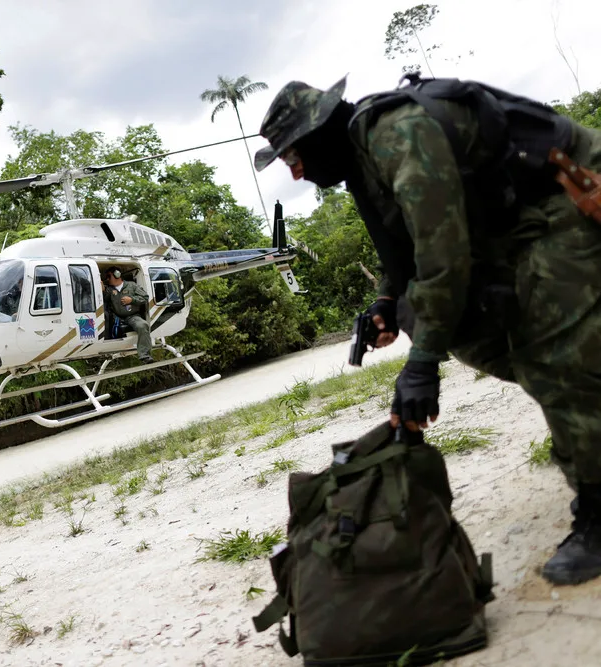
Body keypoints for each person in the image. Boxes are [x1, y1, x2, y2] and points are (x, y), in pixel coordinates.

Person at [253, 73, 601, 586]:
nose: (297, 173)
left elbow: (444, 256)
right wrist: (389, 301)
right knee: (472, 330)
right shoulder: (361, 161)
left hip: (563, 196)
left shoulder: (396, 135)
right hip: (513, 225)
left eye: (293, 157)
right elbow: (411, 248)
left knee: (549, 351)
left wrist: (421, 366)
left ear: (318, 133)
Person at [102, 266, 153, 362]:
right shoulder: (109, 290)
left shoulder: (131, 286)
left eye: (109, 276)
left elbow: (145, 297)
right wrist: (102, 289)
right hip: (116, 318)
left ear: (117, 275)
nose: (107, 279)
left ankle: (144, 355)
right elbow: (104, 298)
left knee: (143, 325)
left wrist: (132, 300)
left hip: (132, 316)